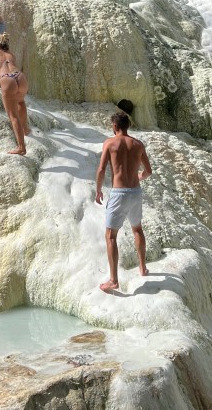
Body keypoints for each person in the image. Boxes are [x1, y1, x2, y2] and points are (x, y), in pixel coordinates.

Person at [95, 111, 151, 293]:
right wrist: (137, 178)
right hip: (135, 192)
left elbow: (101, 169)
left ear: (115, 126)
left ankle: (113, 280)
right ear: (128, 126)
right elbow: (148, 171)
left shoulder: (110, 143)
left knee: (111, 236)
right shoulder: (138, 144)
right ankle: (142, 268)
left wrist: (98, 190)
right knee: (137, 229)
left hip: (119, 193)